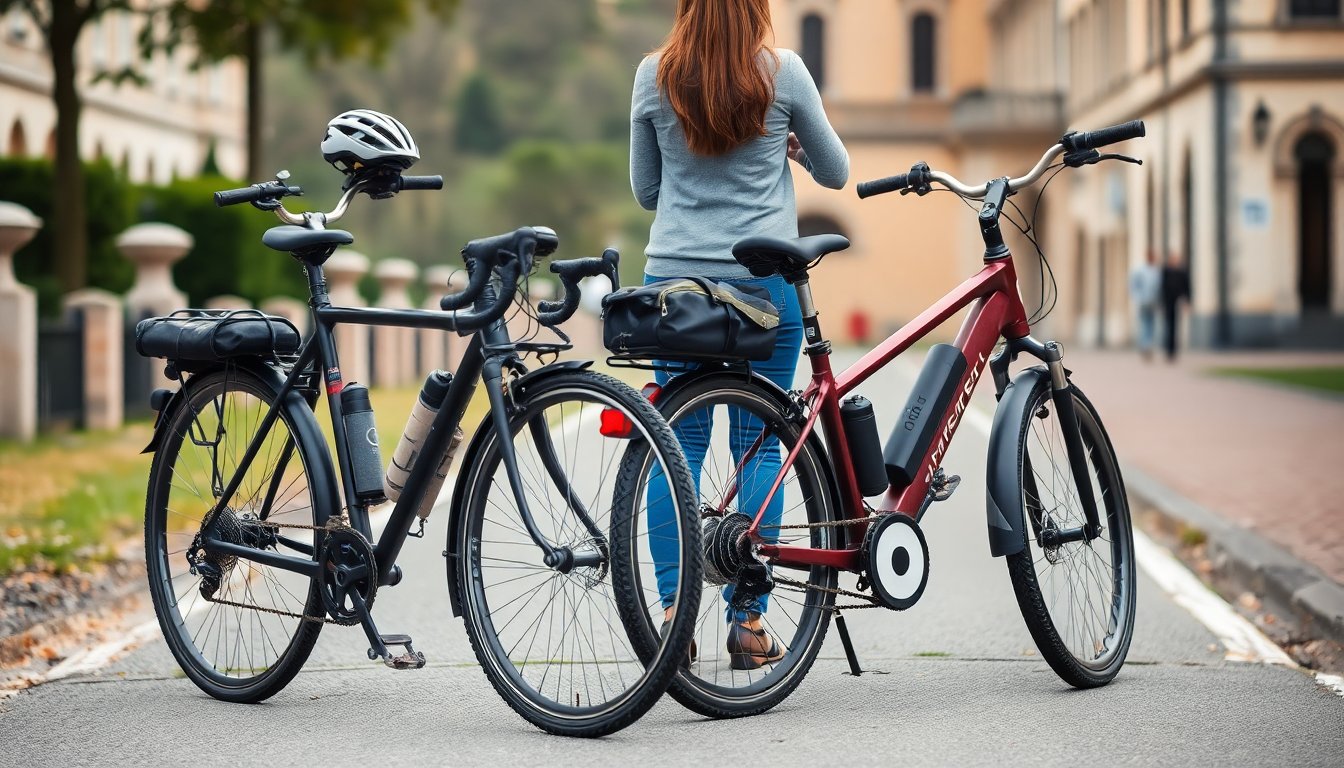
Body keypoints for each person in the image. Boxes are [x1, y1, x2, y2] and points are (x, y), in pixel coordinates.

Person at [631, 0, 848, 670]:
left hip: (675, 290)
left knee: (677, 446)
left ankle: (673, 620)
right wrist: (790, 151)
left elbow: (645, 191)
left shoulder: (652, 75)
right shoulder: (783, 74)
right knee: (760, 442)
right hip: (763, 286)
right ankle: (748, 623)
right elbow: (836, 171)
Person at [1129, 250, 1161, 360]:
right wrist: (1137, 297)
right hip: (1143, 301)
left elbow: (1159, 287)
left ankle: (1148, 345)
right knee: (1144, 324)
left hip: (1153, 301)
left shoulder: (1156, 271)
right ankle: (1144, 345)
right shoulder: (1140, 270)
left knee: (1151, 325)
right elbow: (1133, 285)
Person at [1160, 251, 1191, 361]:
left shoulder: (1182, 271)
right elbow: (1162, 287)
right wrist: (1162, 303)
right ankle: (1168, 350)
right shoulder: (1166, 271)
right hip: (1168, 302)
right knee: (1168, 326)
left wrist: (1187, 301)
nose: (1175, 261)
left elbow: (1186, 286)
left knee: (1175, 326)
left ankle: (1173, 351)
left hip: (1177, 301)